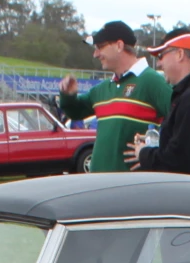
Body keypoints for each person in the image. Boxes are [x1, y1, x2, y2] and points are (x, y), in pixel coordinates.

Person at [57, 21, 171, 173]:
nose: (95, 54)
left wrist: (154, 153)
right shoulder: (102, 89)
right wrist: (68, 95)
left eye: (100, 47)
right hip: (99, 185)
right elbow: (75, 112)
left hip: (132, 188)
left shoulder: (152, 81)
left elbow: (182, 122)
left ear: (119, 46)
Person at [126, 31, 190, 179]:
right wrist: (159, 142)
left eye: (161, 55)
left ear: (180, 54)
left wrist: (143, 153)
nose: (159, 63)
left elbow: (178, 162)